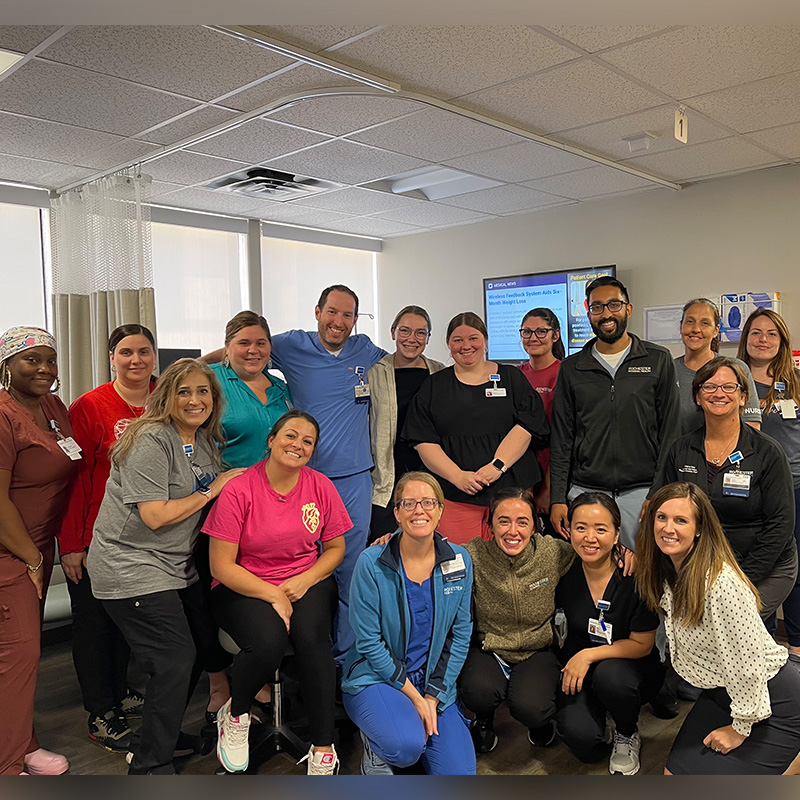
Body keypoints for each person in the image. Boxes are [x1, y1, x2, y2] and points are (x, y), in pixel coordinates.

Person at [87, 360, 245, 775]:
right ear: (166, 396)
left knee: (195, 651)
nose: (195, 400)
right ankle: (149, 768)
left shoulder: (203, 440)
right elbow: (155, 515)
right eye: (184, 391)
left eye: (203, 392)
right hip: (130, 564)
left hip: (175, 566)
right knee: (174, 658)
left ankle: (158, 738)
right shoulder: (151, 439)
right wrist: (214, 488)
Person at [204, 409, 349, 775]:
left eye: (307, 441)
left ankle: (322, 745)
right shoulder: (239, 489)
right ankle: (236, 716)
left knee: (312, 639)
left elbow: (335, 548)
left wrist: (302, 581)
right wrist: (273, 594)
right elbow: (221, 566)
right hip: (243, 583)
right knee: (268, 640)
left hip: (305, 579)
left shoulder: (320, 486)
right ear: (271, 440)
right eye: (290, 436)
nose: (297, 445)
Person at [636, 482, 800, 775]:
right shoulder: (666, 570)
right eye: (661, 517)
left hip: (770, 697)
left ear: (699, 528)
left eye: (681, 520)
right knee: (673, 775)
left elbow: (746, 665)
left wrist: (740, 729)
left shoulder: (720, 585)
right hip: (721, 693)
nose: (668, 528)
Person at [269, 285, 387, 661]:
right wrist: (181, 370)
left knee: (352, 572)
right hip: (304, 479)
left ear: (356, 319)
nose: (339, 322)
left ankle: (347, 660)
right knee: (305, 566)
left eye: (348, 315)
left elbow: (406, 363)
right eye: (332, 313)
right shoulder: (289, 346)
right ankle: (306, 653)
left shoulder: (365, 350)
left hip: (354, 479)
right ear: (318, 311)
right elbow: (243, 347)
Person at [58, 324, 156, 752]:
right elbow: (74, 478)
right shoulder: (90, 406)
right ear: (111, 357)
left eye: (144, 352)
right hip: (99, 536)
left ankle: (119, 692)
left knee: (124, 623)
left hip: (151, 537)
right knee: (95, 626)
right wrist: (73, 544)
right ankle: (101, 712)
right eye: (126, 352)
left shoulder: (166, 398)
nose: (136, 360)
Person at [342, 472, 475, 775]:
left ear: (440, 510)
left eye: (428, 502)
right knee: (404, 748)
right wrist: (415, 698)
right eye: (409, 503)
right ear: (397, 513)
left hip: (431, 681)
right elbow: (369, 642)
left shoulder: (460, 560)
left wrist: (432, 695)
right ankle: (376, 746)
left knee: (460, 775)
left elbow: (461, 633)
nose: (419, 510)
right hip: (377, 677)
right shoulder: (372, 563)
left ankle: (405, 727)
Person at [651, 357, 797, 621]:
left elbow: (781, 524)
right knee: (693, 624)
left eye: (729, 387)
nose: (719, 393)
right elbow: (665, 512)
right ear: (697, 397)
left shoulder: (767, 452)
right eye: (709, 386)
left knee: (729, 620)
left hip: (762, 565)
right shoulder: (681, 450)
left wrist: (738, 580)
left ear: (743, 397)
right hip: (701, 566)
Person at [550, 276, 681, 550]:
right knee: (589, 575)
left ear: (628, 309)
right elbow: (562, 438)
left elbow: (670, 433)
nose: (606, 313)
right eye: (597, 307)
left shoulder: (657, 360)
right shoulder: (572, 368)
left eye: (613, 305)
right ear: (589, 313)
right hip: (585, 492)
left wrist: (657, 492)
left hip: (641, 494)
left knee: (640, 578)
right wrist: (558, 498)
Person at [0, 326, 77, 776]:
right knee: (21, 654)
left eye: (50, 359)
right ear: (7, 365)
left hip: (37, 548)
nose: (44, 369)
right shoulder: (4, 414)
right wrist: (30, 557)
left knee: (15, 658)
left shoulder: (50, 406)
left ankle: (22, 744)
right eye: (32, 360)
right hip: (12, 551)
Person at [403, 312, 549, 545]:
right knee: (460, 563)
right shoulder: (434, 386)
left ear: (485, 341)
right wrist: (457, 476)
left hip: (511, 490)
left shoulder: (511, 377)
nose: (465, 346)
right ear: (448, 345)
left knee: (511, 559)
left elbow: (528, 426)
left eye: (473, 338)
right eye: (457, 340)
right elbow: (423, 440)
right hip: (454, 495)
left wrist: (497, 466)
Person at [458, 488, 574, 754]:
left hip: (537, 649)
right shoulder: (473, 555)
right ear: (491, 525)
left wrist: (622, 552)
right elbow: (429, 553)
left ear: (534, 525)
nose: (513, 531)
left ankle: (540, 722)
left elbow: (591, 552)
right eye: (503, 521)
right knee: (478, 692)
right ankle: (484, 719)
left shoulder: (551, 552)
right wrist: (392, 540)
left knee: (533, 707)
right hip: (490, 648)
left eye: (522, 522)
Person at [554, 493, 663, 776]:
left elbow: (643, 644)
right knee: (581, 740)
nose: (590, 537)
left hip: (630, 667)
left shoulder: (635, 575)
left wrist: (589, 655)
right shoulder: (563, 570)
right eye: (581, 528)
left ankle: (627, 732)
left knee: (610, 676)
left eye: (601, 529)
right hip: (580, 667)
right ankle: (598, 713)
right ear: (569, 531)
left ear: (616, 535)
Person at [738, 308, 800, 667]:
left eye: (771, 334)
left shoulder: (794, 382)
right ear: (745, 339)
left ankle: (795, 643)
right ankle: (757, 642)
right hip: (753, 489)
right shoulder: (735, 381)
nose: (763, 339)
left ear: (782, 341)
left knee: (797, 566)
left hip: (797, 485)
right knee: (759, 564)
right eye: (756, 333)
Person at [368, 305, 444, 543]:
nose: (412, 339)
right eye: (405, 331)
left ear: (428, 338)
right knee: (385, 549)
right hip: (386, 480)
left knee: (426, 547)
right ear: (393, 333)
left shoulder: (439, 373)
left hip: (430, 474)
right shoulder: (375, 373)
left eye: (421, 333)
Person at [209, 311, 292, 469]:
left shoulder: (281, 388)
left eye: (261, 343)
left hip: (275, 488)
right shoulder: (208, 380)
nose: (253, 350)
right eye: (244, 343)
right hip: (225, 489)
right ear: (227, 347)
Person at [674, 298, 760, 434]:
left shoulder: (736, 368)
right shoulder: (667, 370)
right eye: (690, 322)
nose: (696, 329)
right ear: (681, 326)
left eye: (705, 323)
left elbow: (752, 427)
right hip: (678, 453)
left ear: (716, 330)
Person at [517, 307, 564, 528]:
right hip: (521, 473)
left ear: (555, 335)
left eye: (541, 332)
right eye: (527, 332)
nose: (533, 338)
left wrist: (548, 489)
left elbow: (562, 438)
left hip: (551, 473)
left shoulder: (565, 374)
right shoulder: (515, 375)